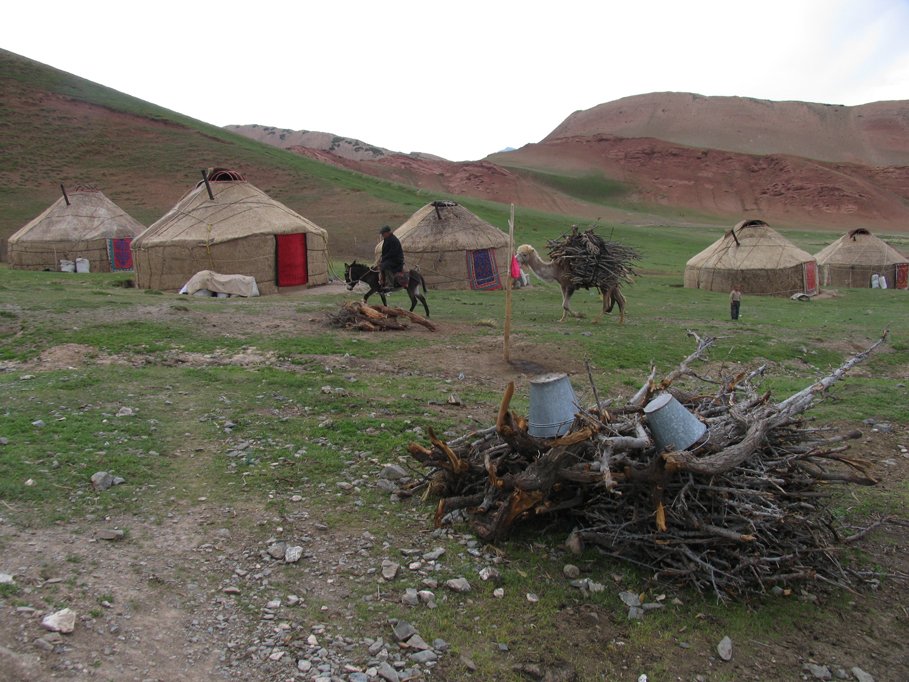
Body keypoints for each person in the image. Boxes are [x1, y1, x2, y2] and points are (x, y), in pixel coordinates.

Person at [378, 226, 404, 291]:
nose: (382, 235)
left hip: (396, 259)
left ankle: (390, 284)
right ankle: (382, 282)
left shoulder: (394, 240)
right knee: (379, 266)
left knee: (386, 265)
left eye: (383, 233)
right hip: (390, 258)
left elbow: (392, 253)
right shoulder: (387, 239)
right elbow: (385, 251)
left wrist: (383, 258)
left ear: (388, 232)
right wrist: (381, 257)